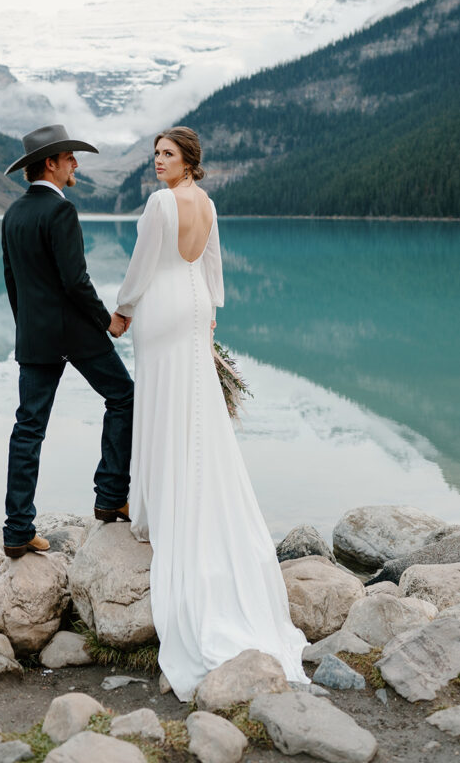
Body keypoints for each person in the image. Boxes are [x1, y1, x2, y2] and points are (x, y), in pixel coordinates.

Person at [116, 126, 309, 701]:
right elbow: (214, 267)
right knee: (198, 410)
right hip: (196, 309)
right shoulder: (207, 202)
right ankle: (190, 497)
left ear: (188, 161)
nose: (157, 163)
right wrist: (212, 313)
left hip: (163, 310)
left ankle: (156, 510)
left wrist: (122, 310)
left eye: (167, 155)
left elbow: (143, 263)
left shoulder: (161, 203)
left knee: (160, 403)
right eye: (155, 155)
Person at [1, 124, 134, 558]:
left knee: (28, 427)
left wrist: (29, 329)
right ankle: (111, 495)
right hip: (74, 332)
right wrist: (107, 323)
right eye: (70, 157)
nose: (76, 163)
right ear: (51, 164)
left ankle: (17, 528)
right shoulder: (61, 212)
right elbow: (76, 281)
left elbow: (12, 283)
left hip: (35, 335)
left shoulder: (13, 213)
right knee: (123, 395)